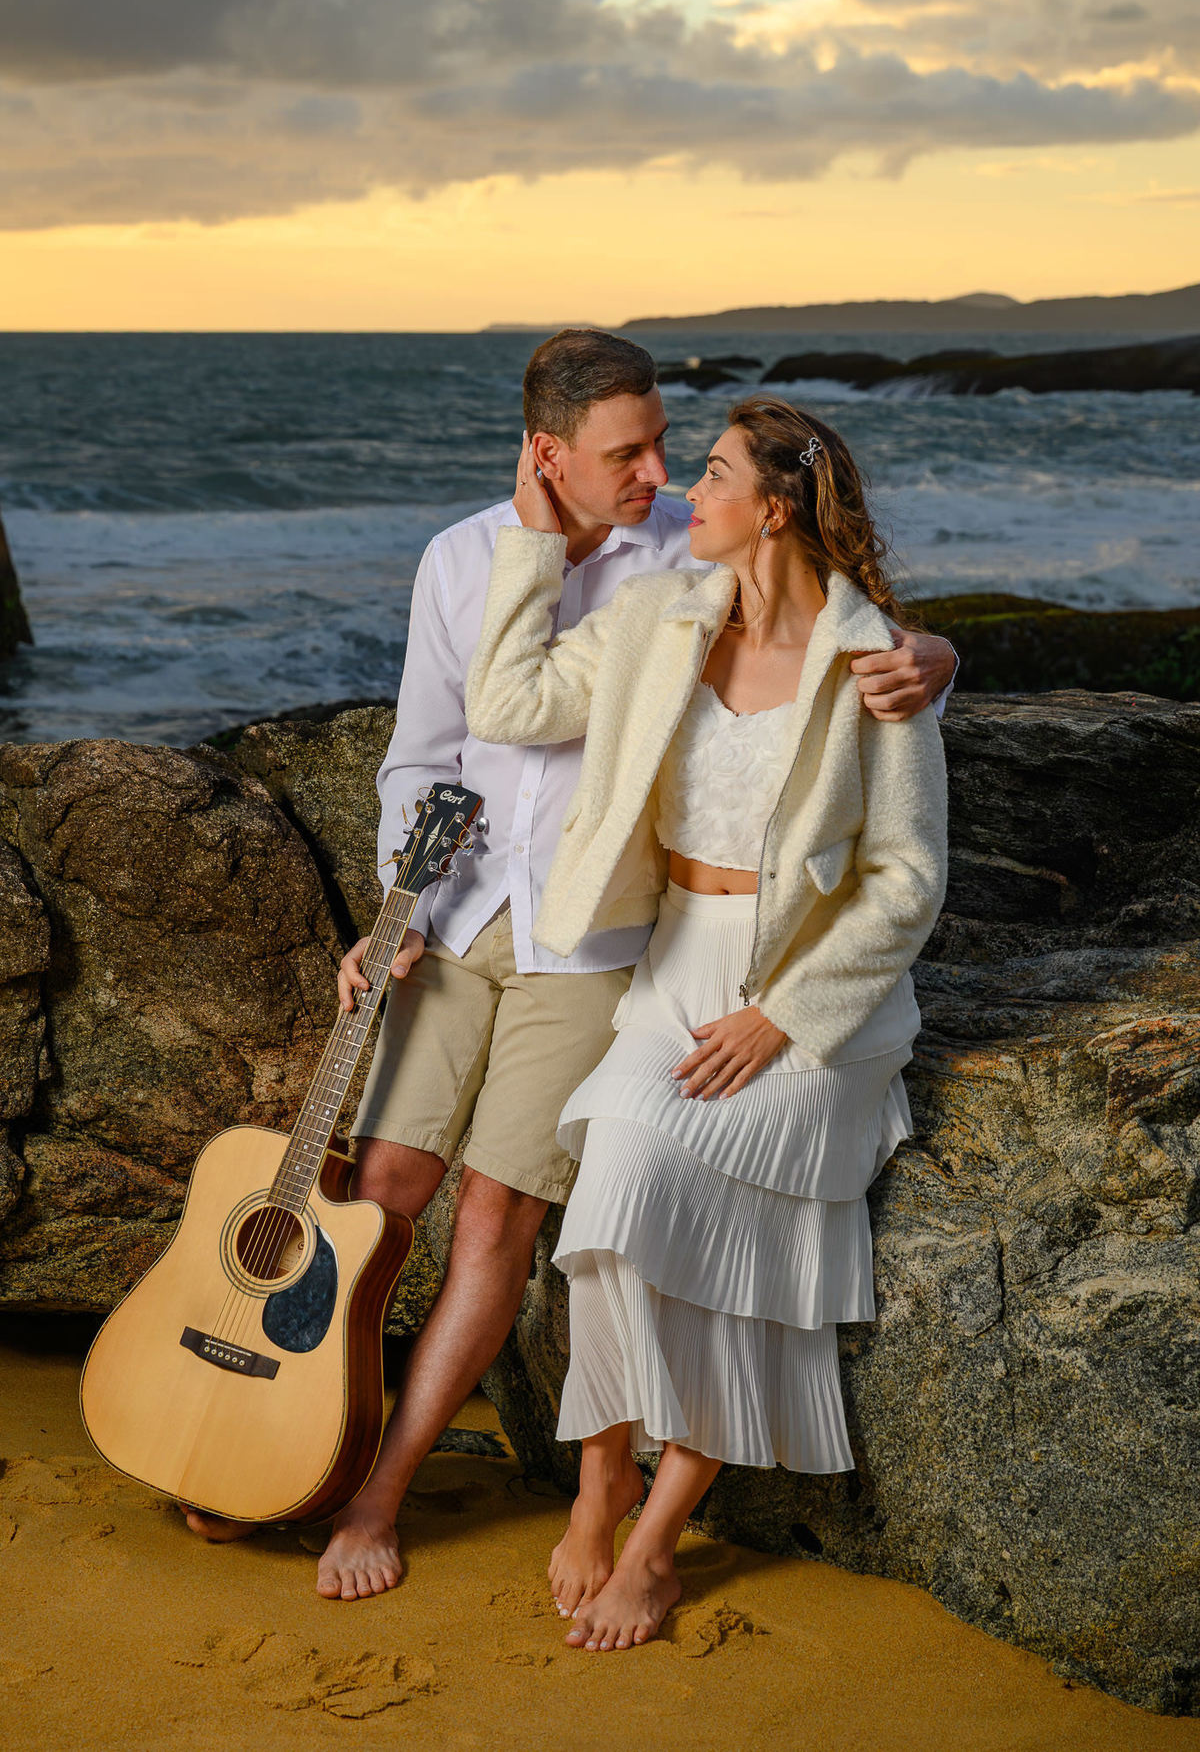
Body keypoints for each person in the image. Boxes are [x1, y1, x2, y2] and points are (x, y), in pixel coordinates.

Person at [184, 331, 957, 1599]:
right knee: (376, 1191)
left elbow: (859, 700)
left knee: (504, 1213)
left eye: (675, 450)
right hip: (467, 913)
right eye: (629, 453)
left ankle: (386, 1492)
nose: (658, 472)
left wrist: (937, 658)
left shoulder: (681, 557)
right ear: (548, 453)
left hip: (604, 944)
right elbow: (442, 740)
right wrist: (397, 907)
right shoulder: (493, 564)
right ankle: (292, 1444)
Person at [463, 396, 948, 1652]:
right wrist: (530, 537)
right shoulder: (657, 619)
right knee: (620, 1183)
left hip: (806, 1001)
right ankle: (601, 1479)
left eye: (715, 474)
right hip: (674, 963)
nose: (686, 491)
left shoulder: (873, 664)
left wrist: (784, 1017)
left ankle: (657, 1543)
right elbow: (510, 702)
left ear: (773, 509)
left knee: (725, 1217)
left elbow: (906, 879)